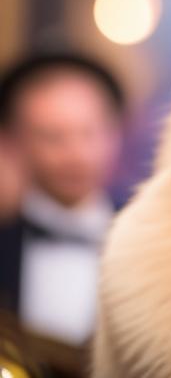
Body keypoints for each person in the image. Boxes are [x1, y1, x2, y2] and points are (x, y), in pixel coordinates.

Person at [0, 53, 124, 350]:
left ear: (115, 133)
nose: (75, 154)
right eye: (53, 137)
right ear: (14, 141)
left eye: (89, 133)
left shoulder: (150, 245)